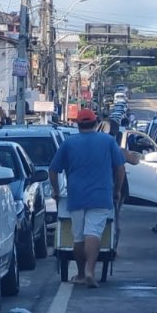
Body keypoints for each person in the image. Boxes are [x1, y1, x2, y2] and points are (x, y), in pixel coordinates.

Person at [50, 108, 125, 287]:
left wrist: (56, 191)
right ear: (96, 122)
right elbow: (120, 168)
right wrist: (118, 190)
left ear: (77, 124)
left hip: (76, 196)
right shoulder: (108, 141)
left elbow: (53, 170)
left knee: (78, 237)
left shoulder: (69, 143)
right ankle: (91, 271)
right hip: (101, 195)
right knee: (94, 232)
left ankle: (82, 274)